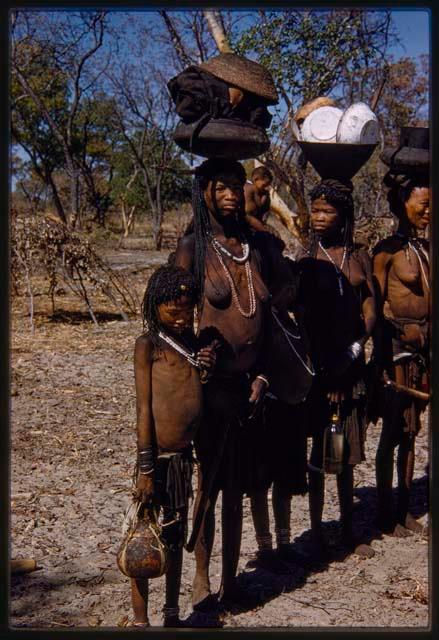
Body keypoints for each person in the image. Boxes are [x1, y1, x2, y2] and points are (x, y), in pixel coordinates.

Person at [174, 157, 293, 609]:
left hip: (251, 389)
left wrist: (263, 374)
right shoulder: (193, 248)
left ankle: (231, 578)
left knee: (238, 488)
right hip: (211, 388)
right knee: (207, 486)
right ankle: (201, 577)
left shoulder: (253, 246)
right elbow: (171, 319)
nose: (229, 195)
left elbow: (273, 317)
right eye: (220, 187)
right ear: (204, 191)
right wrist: (196, 358)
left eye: (235, 186)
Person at [130, 265, 217, 627]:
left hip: (183, 460)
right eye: (173, 310)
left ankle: (171, 615)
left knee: (175, 534)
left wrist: (206, 367)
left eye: (188, 310)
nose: (181, 317)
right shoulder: (148, 346)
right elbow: (144, 409)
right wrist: (146, 468)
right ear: (155, 306)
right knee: (143, 540)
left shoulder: (193, 346)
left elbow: (196, 394)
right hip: (157, 461)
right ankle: (140, 620)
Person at [299, 178, 377, 559]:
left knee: (344, 453)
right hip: (318, 372)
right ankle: (315, 532)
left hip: (352, 370)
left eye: (327, 211)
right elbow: (303, 320)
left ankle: (347, 529)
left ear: (343, 215)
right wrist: (325, 367)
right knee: (317, 455)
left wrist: (355, 349)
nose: (319, 217)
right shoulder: (307, 259)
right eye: (315, 210)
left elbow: (370, 310)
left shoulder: (359, 257)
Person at [372, 171, 430, 538]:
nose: (429, 212)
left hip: (424, 351)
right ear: (403, 204)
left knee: (412, 432)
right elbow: (375, 308)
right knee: (393, 431)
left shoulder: (425, 249)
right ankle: (383, 512)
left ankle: (405, 508)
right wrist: (390, 344)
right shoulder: (385, 251)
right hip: (397, 353)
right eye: (424, 205)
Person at [244, 166, 274, 232]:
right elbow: (259, 205)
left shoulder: (246, 185)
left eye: (268, 185)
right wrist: (265, 196)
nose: (266, 188)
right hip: (248, 219)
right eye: (264, 185)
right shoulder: (254, 188)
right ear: (256, 179)